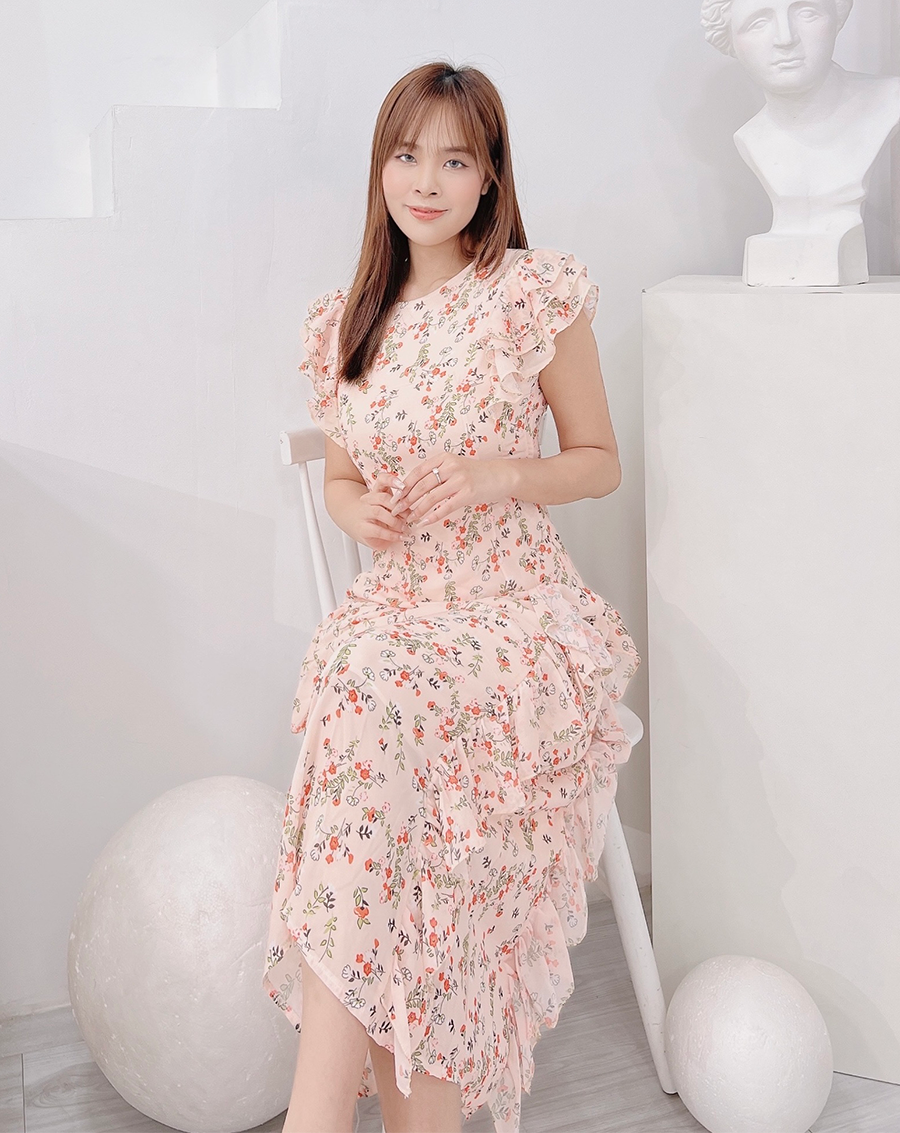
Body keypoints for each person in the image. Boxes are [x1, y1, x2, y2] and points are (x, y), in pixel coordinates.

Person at [262, 59, 641, 1133]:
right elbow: (341, 478)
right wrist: (360, 513)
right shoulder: (348, 321)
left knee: (371, 694)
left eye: (455, 159)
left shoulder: (527, 295)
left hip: (511, 603)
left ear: (490, 177)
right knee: (362, 686)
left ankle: (316, 1116)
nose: (425, 181)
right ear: (380, 168)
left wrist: (496, 474)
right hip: (401, 604)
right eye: (405, 154)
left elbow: (600, 460)